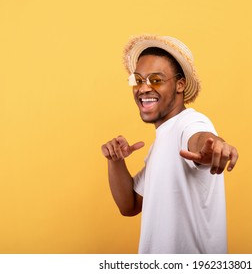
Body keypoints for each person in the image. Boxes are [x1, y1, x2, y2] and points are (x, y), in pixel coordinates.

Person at [101, 35, 238, 254]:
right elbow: (130, 205)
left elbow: (200, 137)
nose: (143, 88)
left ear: (180, 84)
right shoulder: (163, 139)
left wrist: (212, 148)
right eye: (137, 80)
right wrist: (115, 161)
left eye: (156, 80)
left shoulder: (189, 122)